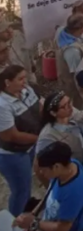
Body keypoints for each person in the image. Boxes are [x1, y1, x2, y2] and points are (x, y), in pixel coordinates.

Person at [13, 142, 83, 231]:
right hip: (49, 226)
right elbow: (49, 194)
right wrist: (32, 214)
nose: (41, 173)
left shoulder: (74, 192)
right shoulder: (69, 165)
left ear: (56, 167)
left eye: (44, 170)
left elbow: (62, 228)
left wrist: (34, 223)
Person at [0, 65, 41, 217]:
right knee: (20, 190)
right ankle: (15, 222)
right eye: (20, 79)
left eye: (25, 78)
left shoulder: (26, 91)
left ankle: (27, 209)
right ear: (7, 83)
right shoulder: (2, 105)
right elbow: (11, 136)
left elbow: (39, 107)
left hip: (29, 147)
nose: (25, 82)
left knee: (26, 183)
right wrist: (40, 137)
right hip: (13, 154)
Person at [37, 91, 83, 165]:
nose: (70, 107)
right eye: (64, 106)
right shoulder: (48, 136)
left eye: (69, 102)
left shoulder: (74, 117)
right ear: (53, 113)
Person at [55, 13, 83, 109]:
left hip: (67, 80)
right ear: (81, 28)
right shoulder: (72, 51)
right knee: (79, 106)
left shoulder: (62, 31)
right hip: (73, 86)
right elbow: (77, 74)